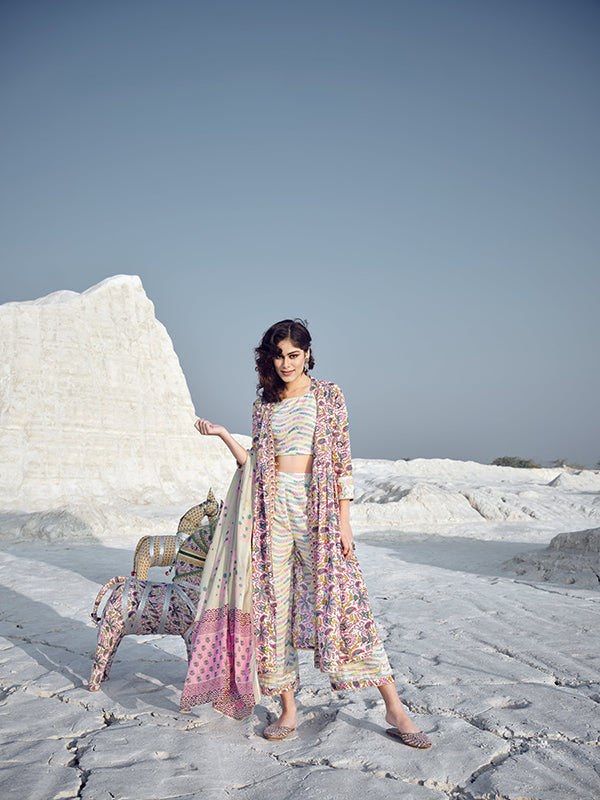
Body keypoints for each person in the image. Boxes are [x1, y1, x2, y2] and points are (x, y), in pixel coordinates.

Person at [180, 319, 431, 749]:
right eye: (278, 355)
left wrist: (344, 520)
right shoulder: (265, 405)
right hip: (270, 512)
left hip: (317, 511)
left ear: (308, 354)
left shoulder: (328, 396)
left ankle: (394, 708)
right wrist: (223, 435)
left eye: (294, 355)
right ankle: (288, 709)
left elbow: (342, 460)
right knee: (271, 609)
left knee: (346, 601)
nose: (286, 363)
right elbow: (255, 462)